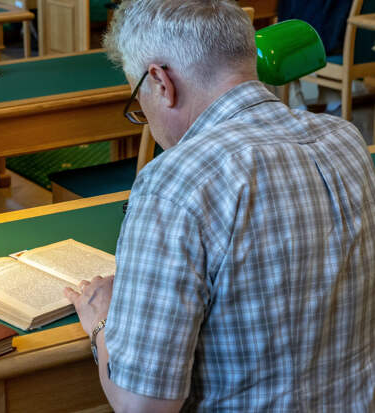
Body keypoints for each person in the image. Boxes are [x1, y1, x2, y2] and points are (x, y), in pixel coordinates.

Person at [63, 0, 375, 411]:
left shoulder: (176, 182)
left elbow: (142, 406)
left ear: (159, 81)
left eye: (138, 97)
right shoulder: (347, 140)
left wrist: (101, 320)